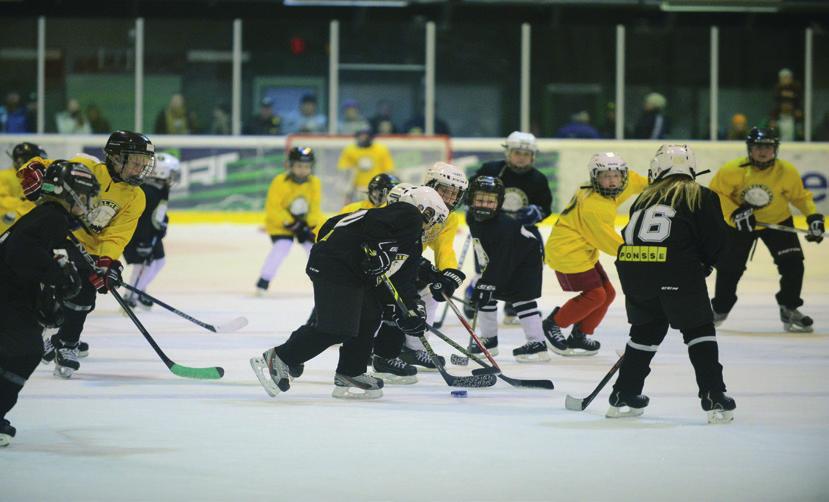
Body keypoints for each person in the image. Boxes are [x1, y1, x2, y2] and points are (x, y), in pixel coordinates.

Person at [250, 186, 448, 400]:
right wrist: (377, 248)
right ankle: (279, 357)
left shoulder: (411, 241)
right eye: (429, 215)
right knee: (338, 327)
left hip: (350, 272)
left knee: (370, 315)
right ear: (418, 207)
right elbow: (367, 228)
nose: (429, 223)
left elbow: (403, 283)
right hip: (334, 266)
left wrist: (410, 311)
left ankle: (351, 372)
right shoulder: (406, 214)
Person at [608, 144, 735, 424]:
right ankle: (713, 394)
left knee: (645, 332)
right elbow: (717, 242)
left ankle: (623, 394)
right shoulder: (699, 194)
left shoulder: (644, 197)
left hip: (634, 271)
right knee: (699, 330)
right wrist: (704, 264)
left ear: (657, 169)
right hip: (675, 272)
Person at [34, 131, 155, 377]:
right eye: (134, 162)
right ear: (115, 158)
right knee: (52, 289)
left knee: (85, 296)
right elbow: (47, 167)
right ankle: (50, 339)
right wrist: (32, 167)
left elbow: (117, 234)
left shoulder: (135, 196)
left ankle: (64, 341)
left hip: (89, 249)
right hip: (59, 237)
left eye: (144, 164)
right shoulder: (87, 168)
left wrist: (107, 262)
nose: (139, 169)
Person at [0, 160, 99, 446]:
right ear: (72, 192)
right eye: (87, 194)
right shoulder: (53, 217)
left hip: (11, 295)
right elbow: (21, 253)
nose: (90, 202)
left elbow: (49, 251)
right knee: (26, 351)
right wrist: (56, 276)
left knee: (19, 351)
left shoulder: (50, 216)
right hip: (8, 297)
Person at [710, 127, 824, 332]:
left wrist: (813, 217)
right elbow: (715, 194)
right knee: (729, 268)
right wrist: (735, 212)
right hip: (740, 225)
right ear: (749, 149)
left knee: (793, 264)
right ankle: (719, 308)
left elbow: (800, 197)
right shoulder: (732, 170)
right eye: (758, 147)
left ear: (775, 150)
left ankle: (789, 307)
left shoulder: (786, 171)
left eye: (768, 147)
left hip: (777, 221)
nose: (763, 152)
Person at [542, 152, 647, 357]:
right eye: (605, 176)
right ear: (595, 178)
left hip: (583, 248)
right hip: (567, 251)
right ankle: (553, 323)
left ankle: (579, 336)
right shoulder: (595, 207)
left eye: (616, 175)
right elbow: (609, 242)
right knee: (596, 295)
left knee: (608, 294)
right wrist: (641, 255)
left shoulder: (621, 184)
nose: (612, 181)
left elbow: (638, 181)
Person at [373, 163, 468, 374]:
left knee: (430, 291)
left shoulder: (449, 217)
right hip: (381, 260)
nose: (450, 198)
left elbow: (444, 248)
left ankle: (412, 349)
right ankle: (377, 350)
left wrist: (449, 273)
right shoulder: (409, 200)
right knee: (388, 305)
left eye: (455, 194)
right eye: (445, 191)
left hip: (405, 262)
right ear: (430, 185)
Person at [465, 131, 552, 324]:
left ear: (533, 156)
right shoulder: (491, 169)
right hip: (491, 230)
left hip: (521, 231)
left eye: (526, 154)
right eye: (517, 153)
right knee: (487, 267)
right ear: (508, 153)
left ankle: (513, 299)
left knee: (529, 261)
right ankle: (473, 291)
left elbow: (546, 208)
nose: (521, 158)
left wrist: (537, 212)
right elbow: (470, 191)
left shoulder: (538, 179)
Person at [465, 176, 549, 362]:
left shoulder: (504, 227)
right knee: (486, 295)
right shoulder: (471, 217)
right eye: (479, 200)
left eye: (490, 201)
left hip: (526, 263)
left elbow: (502, 260)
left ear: (500, 203)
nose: (484, 205)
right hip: (505, 260)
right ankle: (490, 340)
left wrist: (487, 282)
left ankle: (537, 344)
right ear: (470, 200)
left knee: (522, 299)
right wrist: (485, 281)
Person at [255, 147, 322, 296]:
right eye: (299, 166)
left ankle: (324, 282)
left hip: (304, 224)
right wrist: (292, 223)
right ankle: (263, 282)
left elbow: (315, 208)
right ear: (290, 165)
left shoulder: (315, 183)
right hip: (281, 225)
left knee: (314, 249)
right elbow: (273, 209)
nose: (303, 170)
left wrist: (309, 226)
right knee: (282, 246)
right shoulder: (279, 181)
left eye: (306, 166)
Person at [122, 152, 180, 309]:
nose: (173, 177)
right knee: (143, 266)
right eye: (172, 173)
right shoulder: (148, 192)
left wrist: (163, 224)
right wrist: (144, 242)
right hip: (140, 236)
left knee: (159, 262)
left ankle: (138, 291)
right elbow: (142, 220)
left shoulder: (159, 189)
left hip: (151, 234)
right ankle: (130, 296)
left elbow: (159, 213)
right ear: (162, 172)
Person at [337, 129, 395, 204]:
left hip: (376, 188)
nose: (363, 139)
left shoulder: (381, 150)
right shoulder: (350, 150)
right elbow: (345, 171)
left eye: (365, 137)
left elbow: (388, 170)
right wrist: (347, 191)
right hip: (355, 189)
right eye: (360, 137)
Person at [0, 142, 46, 234]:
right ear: (20, 160)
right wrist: (29, 205)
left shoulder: (35, 180)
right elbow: (2, 201)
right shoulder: (4, 176)